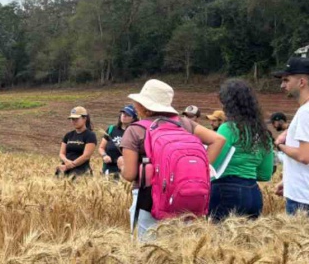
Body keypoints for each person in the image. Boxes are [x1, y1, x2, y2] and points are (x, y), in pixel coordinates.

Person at [117, 80, 225, 240]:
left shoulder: (135, 130)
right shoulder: (185, 123)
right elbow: (218, 140)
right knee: (181, 250)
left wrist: (121, 164)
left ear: (143, 106)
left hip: (148, 200)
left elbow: (130, 174)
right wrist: (201, 169)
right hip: (184, 195)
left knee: (147, 253)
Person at [209, 79, 274, 221]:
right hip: (253, 193)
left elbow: (212, 164)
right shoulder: (264, 134)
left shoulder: (228, 129)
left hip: (226, 191)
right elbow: (265, 174)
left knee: (219, 240)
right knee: (246, 242)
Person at [274, 57, 309, 222]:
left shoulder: (308, 112)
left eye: (286, 80)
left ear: (302, 82)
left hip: (305, 199)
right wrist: (288, 181)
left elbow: (305, 156)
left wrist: (280, 145)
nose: (283, 85)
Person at [56, 106, 97, 178]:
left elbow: (86, 156)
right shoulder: (68, 135)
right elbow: (62, 153)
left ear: (85, 119)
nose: (73, 121)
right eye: (72, 119)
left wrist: (71, 165)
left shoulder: (90, 135)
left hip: (81, 170)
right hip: (65, 167)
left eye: (76, 119)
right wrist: (66, 162)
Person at [99, 104, 137, 178]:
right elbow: (101, 147)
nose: (124, 116)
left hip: (126, 169)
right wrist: (104, 155)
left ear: (133, 118)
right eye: (123, 113)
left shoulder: (134, 132)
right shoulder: (111, 129)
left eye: (127, 115)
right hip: (109, 168)